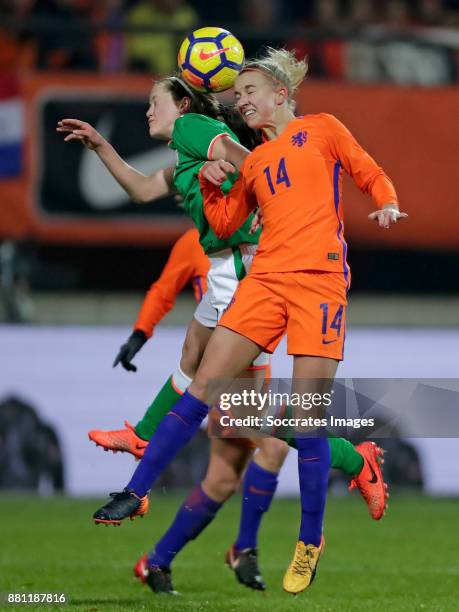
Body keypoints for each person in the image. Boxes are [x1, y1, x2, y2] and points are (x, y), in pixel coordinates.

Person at [89, 48, 401, 594]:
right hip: (264, 284)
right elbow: (228, 222)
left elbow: (367, 169)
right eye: (236, 96)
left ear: (281, 95)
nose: (241, 101)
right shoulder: (253, 163)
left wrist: (387, 200)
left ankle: (309, 540)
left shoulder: (323, 129)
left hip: (319, 283)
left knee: (297, 423)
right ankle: (137, 492)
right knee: (206, 384)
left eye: (249, 92)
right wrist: (213, 181)